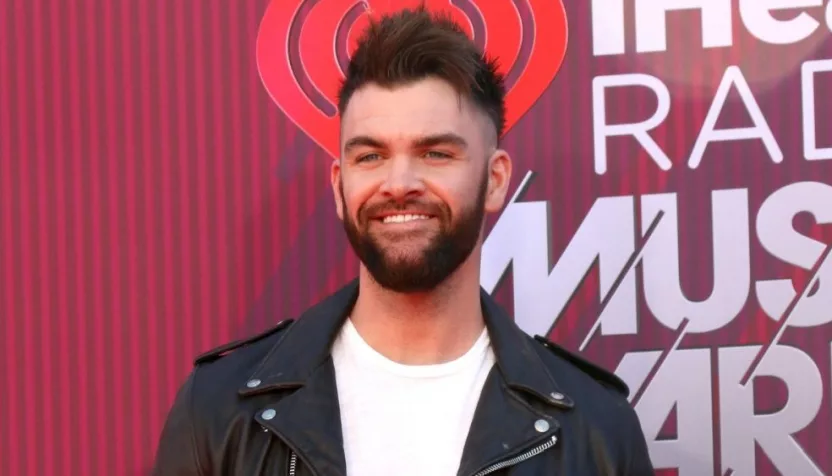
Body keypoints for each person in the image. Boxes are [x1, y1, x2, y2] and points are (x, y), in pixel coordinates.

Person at [152, 6, 654, 476]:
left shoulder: (597, 429)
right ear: (338, 185)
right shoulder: (220, 409)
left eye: (435, 153)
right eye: (369, 157)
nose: (398, 183)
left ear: (496, 179)